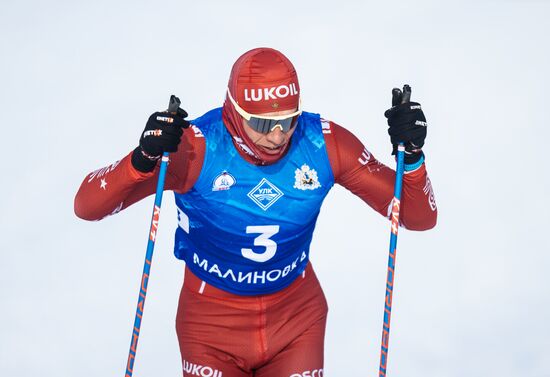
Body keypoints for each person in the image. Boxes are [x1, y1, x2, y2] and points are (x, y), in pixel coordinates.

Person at [74, 47, 437, 377]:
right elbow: (87, 206)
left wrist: (414, 158)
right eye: (263, 123)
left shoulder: (323, 142)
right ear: (234, 110)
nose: (278, 135)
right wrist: (142, 159)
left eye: (289, 119)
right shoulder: (194, 148)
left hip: (296, 323)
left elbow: (418, 217)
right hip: (211, 330)